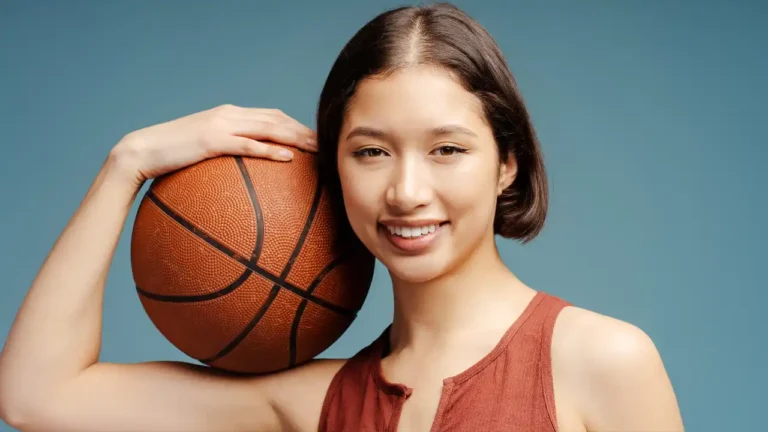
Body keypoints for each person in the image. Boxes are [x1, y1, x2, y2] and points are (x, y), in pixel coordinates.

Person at [0, 3, 684, 431]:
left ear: (507, 162)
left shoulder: (602, 363)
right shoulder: (315, 401)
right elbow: (35, 399)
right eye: (371, 152)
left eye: (447, 149)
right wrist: (129, 162)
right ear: (333, 165)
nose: (407, 191)